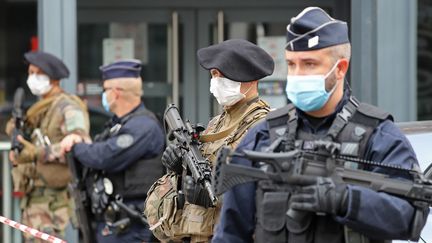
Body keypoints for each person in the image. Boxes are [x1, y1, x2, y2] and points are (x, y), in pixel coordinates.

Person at [213, 7, 429, 243]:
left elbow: (409, 218)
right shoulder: (264, 135)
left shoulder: (377, 136)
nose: (297, 74)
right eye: (292, 64)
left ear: (340, 69)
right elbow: (230, 234)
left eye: (309, 64)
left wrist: (346, 200)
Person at [144, 39, 274, 242]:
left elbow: (266, 194)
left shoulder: (264, 127)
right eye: (214, 74)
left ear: (248, 79)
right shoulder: (217, 124)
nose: (216, 81)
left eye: (221, 75)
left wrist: (217, 197)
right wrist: (179, 168)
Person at [60, 59, 165, 243]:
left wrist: (76, 147)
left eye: (105, 90)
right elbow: (99, 148)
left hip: (132, 226)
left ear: (116, 93)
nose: (103, 95)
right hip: (116, 223)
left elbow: (105, 156)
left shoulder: (143, 126)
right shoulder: (119, 124)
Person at [5, 51, 90, 242]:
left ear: (52, 78)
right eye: (30, 72)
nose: (31, 78)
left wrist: (36, 153)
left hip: (55, 203)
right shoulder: (43, 108)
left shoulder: (68, 107)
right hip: (36, 196)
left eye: (36, 73)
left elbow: (80, 145)